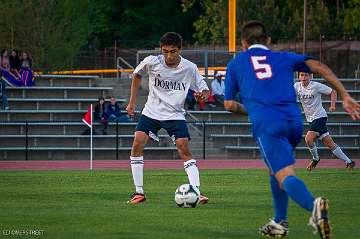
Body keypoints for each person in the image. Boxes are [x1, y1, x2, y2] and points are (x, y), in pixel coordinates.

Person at [224, 20, 360, 239]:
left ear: (242, 43)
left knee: (284, 173)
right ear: (268, 41)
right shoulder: (282, 57)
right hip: (294, 122)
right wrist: (344, 95)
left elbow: (229, 105)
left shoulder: (237, 63)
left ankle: (314, 206)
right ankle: (280, 222)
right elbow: (320, 67)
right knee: (274, 169)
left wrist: (252, 109)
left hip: (268, 124)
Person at [126, 32, 210, 205]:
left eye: (173, 51)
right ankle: (139, 192)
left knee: (184, 149)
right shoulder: (151, 61)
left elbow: (204, 89)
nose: (169, 56)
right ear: (161, 49)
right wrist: (132, 103)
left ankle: (196, 191)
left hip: (175, 114)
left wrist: (203, 96)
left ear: (180, 49)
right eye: (165, 51)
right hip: (151, 112)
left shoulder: (190, 67)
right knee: (137, 143)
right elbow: (136, 75)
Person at [295, 72, 356, 170]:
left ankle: (316, 159)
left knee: (308, 139)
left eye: (306, 75)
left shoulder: (316, 86)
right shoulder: (296, 86)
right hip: (311, 119)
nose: (303, 77)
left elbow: (333, 92)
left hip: (320, 117)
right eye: (301, 75)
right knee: (330, 144)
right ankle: (349, 162)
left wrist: (332, 105)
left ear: (310, 76)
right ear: (298, 77)